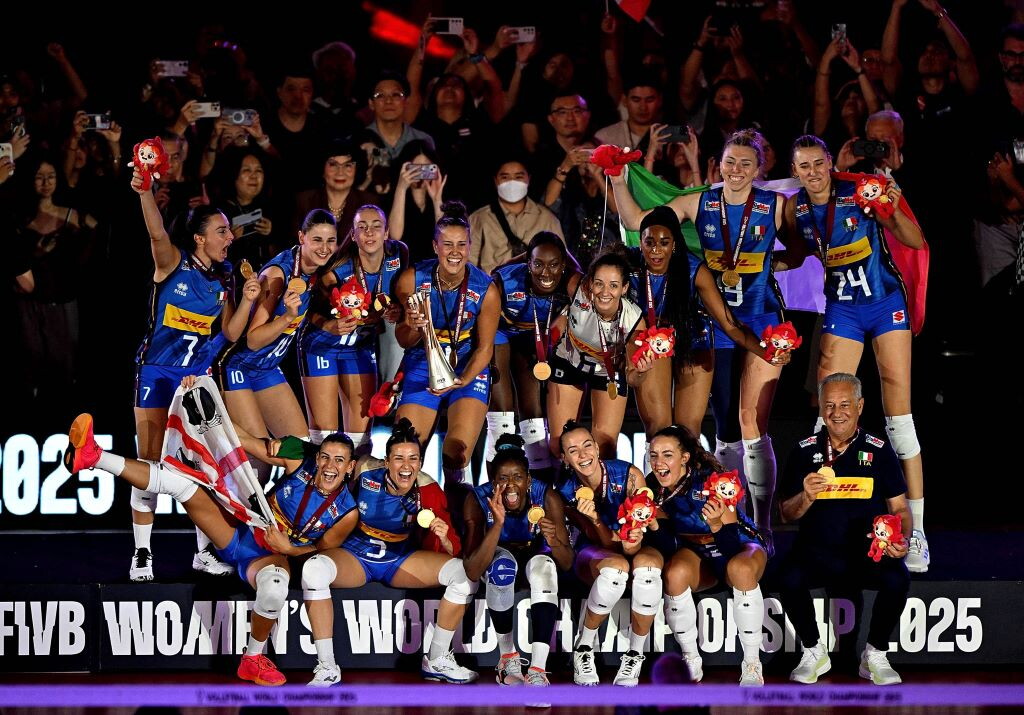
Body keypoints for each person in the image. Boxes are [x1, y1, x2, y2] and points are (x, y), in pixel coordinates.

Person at [63, 408, 359, 687]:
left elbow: (321, 552)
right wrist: (205, 401)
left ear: (350, 467)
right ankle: (94, 456)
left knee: (274, 588)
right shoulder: (299, 458)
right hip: (241, 527)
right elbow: (239, 440)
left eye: (339, 460)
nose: (329, 466)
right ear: (317, 456)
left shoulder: (347, 512)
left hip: (272, 556)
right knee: (182, 484)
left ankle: (252, 659)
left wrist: (288, 548)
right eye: (325, 457)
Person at [611, 130, 794, 545]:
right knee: (721, 424)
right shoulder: (698, 203)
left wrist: (772, 263)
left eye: (746, 163)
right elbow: (639, 222)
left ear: (760, 168)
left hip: (758, 319)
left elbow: (800, 250)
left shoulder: (774, 205)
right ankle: (717, 518)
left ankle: (762, 524)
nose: (737, 170)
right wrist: (619, 181)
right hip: (717, 326)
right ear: (718, 164)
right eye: (730, 161)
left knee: (751, 423)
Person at [787, 134, 929, 572]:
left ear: (830, 162)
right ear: (794, 171)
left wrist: (890, 211)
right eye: (804, 166)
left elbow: (915, 240)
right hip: (843, 310)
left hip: (885, 303)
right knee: (826, 415)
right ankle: (821, 525)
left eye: (818, 163)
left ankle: (916, 533)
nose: (812, 172)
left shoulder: (859, 190)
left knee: (899, 419)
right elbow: (796, 253)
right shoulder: (796, 209)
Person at [129, 167, 259, 581]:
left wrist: (248, 300)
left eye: (229, 231)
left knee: (203, 466)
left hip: (195, 380)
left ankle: (203, 552)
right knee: (150, 462)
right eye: (221, 231)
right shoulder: (173, 263)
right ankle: (142, 553)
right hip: (157, 374)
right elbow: (156, 234)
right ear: (199, 238)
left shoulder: (224, 276)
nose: (230, 237)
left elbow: (231, 333)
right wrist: (145, 192)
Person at [300, 418, 479, 684]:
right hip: (356, 555)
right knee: (313, 569)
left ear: (420, 462)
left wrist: (443, 537)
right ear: (386, 462)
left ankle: (437, 658)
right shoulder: (364, 472)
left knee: (463, 576)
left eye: (413, 459)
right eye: (398, 458)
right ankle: (327, 666)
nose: (406, 466)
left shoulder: (427, 489)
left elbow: (453, 549)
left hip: (399, 559)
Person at [777, 373, 911, 686]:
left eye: (845, 404)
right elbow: (785, 514)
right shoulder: (803, 450)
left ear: (860, 406)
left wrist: (901, 539)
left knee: (898, 578)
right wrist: (806, 496)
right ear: (821, 408)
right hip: (817, 552)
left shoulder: (879, 449)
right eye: (829, 405)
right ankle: (813, 651)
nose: (837, 412)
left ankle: (875, 654)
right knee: (788, 577)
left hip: (867, 552)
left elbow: (900, 509)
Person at [629, 207, 791, 462]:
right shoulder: (629, 266)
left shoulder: (695, 270)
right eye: (649, 242)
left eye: (664, 242)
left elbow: (730, 325)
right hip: (653, 343)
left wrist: (766, 352)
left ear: (675, 244)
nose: (656, 250)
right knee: (657, 429)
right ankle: (655, 487)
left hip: (693, 340)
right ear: (640, 243)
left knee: (687, 434)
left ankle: (688, 485)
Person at [645, 424, 769, 686]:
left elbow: (731, 547)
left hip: (738, 545)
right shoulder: (652, 488)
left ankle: (752, 663)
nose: (658, 462)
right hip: (698, 552)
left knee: (740, 569)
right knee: (674, 573)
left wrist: (715, 525)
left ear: (684, 457)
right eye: (653, 455)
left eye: (667, 455)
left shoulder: (713, 481)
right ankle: (690, 658)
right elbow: (668, 545)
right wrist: (654, 524)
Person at [217, 209, 338, 467]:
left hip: (267, 368)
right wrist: (287, 318)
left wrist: (329, 324)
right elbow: (253, 340)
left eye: (331, 241)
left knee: (300, 453)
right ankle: (217, 429)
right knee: (260, 464)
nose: (325, 248)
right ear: (302, 237)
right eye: (317, 240)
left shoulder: (317, 271)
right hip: (239, 366)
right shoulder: (277, 276)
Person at [393, 200, 500, 488]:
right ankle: (411, 509)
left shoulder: (486, 289)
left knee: (456, 454)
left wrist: (461, 380)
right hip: (422, 362)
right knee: (406, 449)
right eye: (447, 244)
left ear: (469, 246)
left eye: (461, 244)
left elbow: (485, 349)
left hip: (466, 366)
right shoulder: (412, 279)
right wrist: (412, 325)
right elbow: (403, 340)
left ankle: (454, 503)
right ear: (435, 246)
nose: (455, 252)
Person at [461, 434, 573, 687]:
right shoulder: (477, 499)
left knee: (546, 569)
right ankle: (507, 659)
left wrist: (554, 541)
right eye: (503, 478)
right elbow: (472, 569)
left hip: (534, 557)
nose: (510, 485)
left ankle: (538, 670)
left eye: (518, 477)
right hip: (498, 558)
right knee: (503, 567)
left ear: (528, 480)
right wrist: (497, 524)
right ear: (493, 482)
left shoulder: (546, 495)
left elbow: (567, 563)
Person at [556, 421, 658, 687]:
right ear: (564, 458)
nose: (583, 455)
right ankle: (583, 648)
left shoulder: (629, 475)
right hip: (593, 551)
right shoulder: (565, 491)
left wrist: (631, 538)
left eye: (587, 445)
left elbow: (632, 542)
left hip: (634, 543)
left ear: (598, 448)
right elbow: (604, 544)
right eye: (573, 450)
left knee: (648, 571)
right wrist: (594, 520)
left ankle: (634, 655)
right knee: (615, 570)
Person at [299, 204, 407, 453]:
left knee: (360, 442)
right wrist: (328, 324)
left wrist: (397, 310)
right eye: (362, 227)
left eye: (376, 226)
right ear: (353, 234)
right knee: (324, 440)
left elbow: (401, 295)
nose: (369, 233)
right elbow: (308, 308)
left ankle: (355, 480)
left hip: (359, 346)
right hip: (322, 345)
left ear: (386, 232)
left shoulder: (398, 255)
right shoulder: (336, 268)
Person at [486, 233, 581, 472]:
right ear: (528, 264)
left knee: (535, 417)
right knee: (502, 418)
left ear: (563, 264)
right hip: (500, 332)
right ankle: (498, 481)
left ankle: (540, 486)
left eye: (554, 264)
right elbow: (484, 320)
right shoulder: (505, 280)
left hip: (532, 338)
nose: (545, 273)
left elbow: (586, 293)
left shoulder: (571, 282)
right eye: (538, 264)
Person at [547, 249, 653, 460]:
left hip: (608, 372)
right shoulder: (578, 288)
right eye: (599, 284)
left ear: (624, 288)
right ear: (589, 283)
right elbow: (554, 251)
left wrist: (642, 371)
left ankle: (598, 482)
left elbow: (633, 378)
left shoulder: (634, 321)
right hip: (569, 361)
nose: (605, 292)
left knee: (605, 449)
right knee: (560, 445)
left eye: (613, 285)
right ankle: (565, 481)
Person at [469, 159, 564, 274]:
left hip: (536, 284)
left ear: (529, 179)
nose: (512, 182)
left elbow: (562, 260)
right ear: (495, 181)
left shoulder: (547, 219)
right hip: (493, 283)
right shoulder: (479, 218)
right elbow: (469, 265)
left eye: (519, 177)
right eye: (505, 177)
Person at [293, 140, 376, 239]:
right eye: (333, 165)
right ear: (322, 168)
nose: (340, 172)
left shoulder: (369, 202)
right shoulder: (304, 201)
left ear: (357, 170)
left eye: (348, 165)